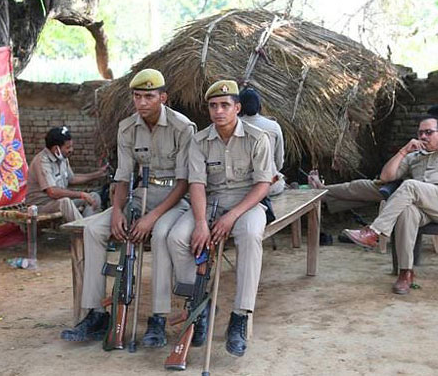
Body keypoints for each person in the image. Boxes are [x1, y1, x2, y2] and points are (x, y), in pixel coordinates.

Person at [60, 69, 196, 343]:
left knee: (159, 237)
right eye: (137, 96)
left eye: (149, 96)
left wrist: (152, 217)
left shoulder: (184, 128)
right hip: (139, 197)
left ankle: (157, 318)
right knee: (93, 230)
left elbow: (184, 182)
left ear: (163, 97)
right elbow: (123, 176)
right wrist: (117, 211)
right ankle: (97, 313)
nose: (142, 102)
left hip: (174, 201)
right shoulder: (127, 128)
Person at [167, 80, 273, 357]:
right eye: (213, 106)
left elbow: (263, 185)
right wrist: (201, 223)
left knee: (250, 236)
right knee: (177, 237)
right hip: (209, 201)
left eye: (225, 105)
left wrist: (232, 216)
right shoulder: (199, 141)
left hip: (247, 202)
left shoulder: (257, 137)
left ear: (237, 108)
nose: (219, 111)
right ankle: (200, 304)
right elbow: (197, 184)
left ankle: (240, 316)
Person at [342, 116, 438, 295]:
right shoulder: (414, 156)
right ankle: (406, 273)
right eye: (420, 132)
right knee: (407, 212)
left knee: (409, 185)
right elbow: (385, 177)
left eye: (428, 132)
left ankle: (373, 232)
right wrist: (403, 151)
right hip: (422, 206)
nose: (423, 136)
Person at [308, 104, 438, 214]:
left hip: (421, 193)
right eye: (423, 131)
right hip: (402, 183)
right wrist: (403, 153)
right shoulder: (425, 144)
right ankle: (323, 196)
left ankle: (322, 193)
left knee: (366, 189)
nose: (424, 135)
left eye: (430, 129)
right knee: (364, 190)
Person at [26, 126, 106, 222]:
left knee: (94, 197)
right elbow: (52, 192)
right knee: (65, 202)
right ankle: (83, 230)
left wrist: (97, 174)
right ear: (56, 149)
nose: (71, 150)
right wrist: (81, 194)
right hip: (40, 207)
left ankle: (89, 226)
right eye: (68, 147)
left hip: (56, 202)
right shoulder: (42, 161)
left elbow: (72, 178)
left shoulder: (63, 158)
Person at [239, 88, 286, 195]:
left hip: (242, 190)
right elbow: (279, 161)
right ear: (259, 105)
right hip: (270, 186)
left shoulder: (232, 127)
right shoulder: (273, 126)